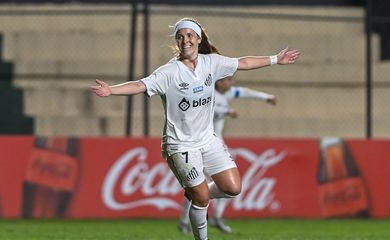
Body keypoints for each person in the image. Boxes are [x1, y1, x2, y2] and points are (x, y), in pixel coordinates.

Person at [91, 17, 300, 240]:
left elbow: (243, 63)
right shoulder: (169, 72)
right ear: (177, 42)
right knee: (202, 197)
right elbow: (141, 85)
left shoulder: (212, 63)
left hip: (207, 141)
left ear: (198, 39)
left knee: (233, 188)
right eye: (180, 37)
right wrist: (111, 90)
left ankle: (194, 193)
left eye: (190, 35)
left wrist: (276, 59)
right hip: (180, 145)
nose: (185, 40)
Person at [178, 76, 276, 234]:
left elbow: (244, 92)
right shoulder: (206, 93)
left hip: (217, 145)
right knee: (199, 187)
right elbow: (201, 108)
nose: (231, 83)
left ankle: (213, 217)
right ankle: (185, 221)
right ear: (218, 81)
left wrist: (267, 97)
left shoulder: (228, 93)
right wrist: (226, 110)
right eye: (228, 80)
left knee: (224, 186)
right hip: (198, 145)